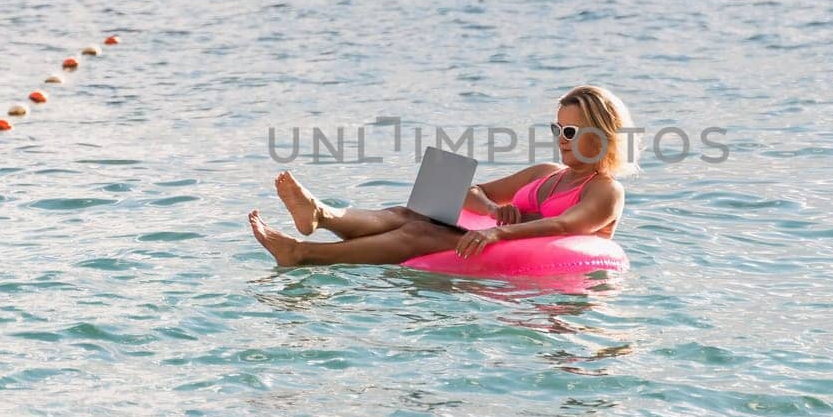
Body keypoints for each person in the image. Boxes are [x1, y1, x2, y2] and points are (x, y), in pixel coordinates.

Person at [248, 85, 635, 267]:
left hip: (537, 267)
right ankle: (321, 215)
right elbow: (474, 191)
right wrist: (491, 209)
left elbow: (567, 226)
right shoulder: (546, 174)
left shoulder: (605, 190)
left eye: (571, 132)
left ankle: (303, 254)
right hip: (500, 241)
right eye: (557, 130)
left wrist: (498, 231)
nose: (561, 140)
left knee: (422, 233)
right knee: (410, 214)